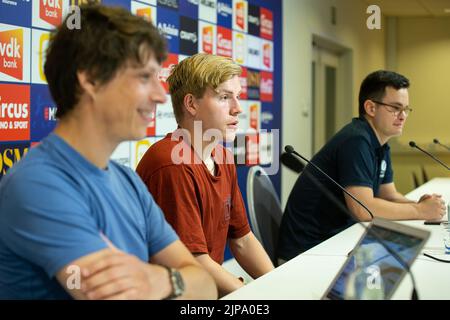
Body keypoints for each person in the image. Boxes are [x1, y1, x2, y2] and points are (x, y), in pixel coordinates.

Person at [0, 4, 217, 300]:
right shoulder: (37, 184)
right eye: (144, 77)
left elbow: (204, 285)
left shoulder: (127, 180)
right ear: (90, 79)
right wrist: (173, 279)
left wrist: (158, 280)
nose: (159, 94)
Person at [136, 53, 274, 297]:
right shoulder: (171, 163)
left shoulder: (222, 157)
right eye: (224, 97)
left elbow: (242, 240)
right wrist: (256, 298)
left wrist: (279, 285)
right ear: (191, 104)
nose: (238, 109)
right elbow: (193, 261)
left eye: (238, 97)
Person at [278, 70, 446, 262]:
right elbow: (363, 209)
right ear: (371, 108)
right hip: (306, 251)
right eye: (395, 108)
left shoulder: (380, 142)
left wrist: (422, 205)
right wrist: (420, 211)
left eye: (406, 109)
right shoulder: (357, 140)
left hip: (337, 239)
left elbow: (388, 194)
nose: (403, 116)